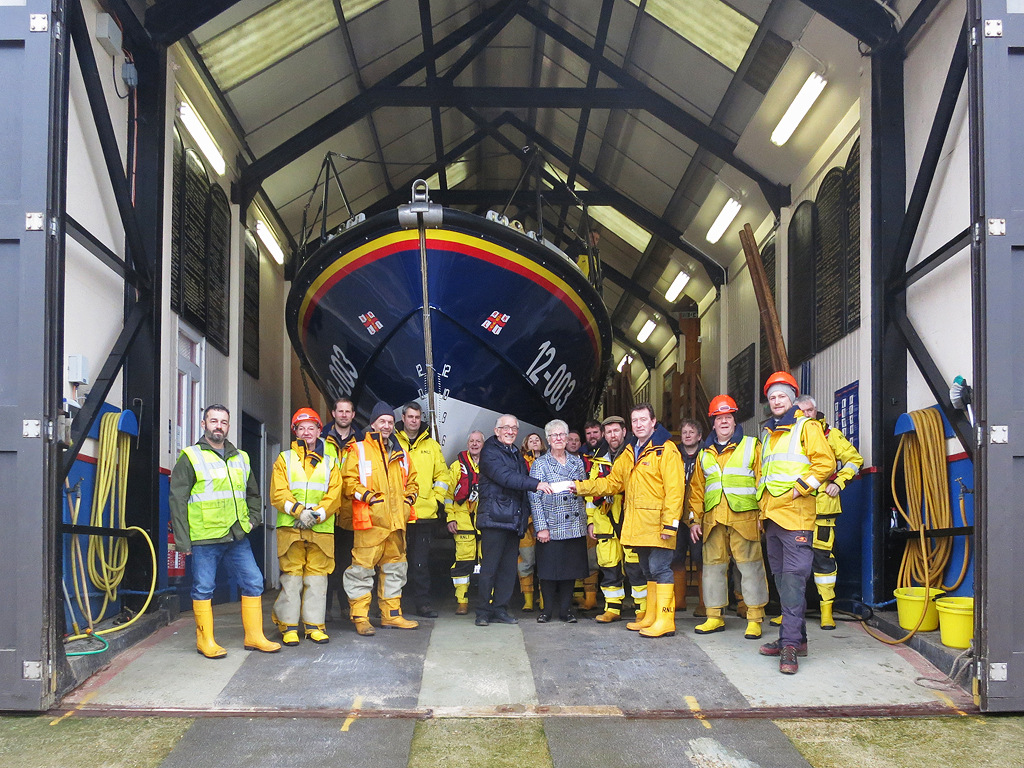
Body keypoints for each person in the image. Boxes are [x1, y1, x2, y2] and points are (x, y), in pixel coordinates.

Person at [169, 405, 280, 658]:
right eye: (213, 421)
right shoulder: (190, 456)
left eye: (223, 422)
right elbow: (177, 500)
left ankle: (254, 636)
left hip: (237, 534)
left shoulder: (241, 456)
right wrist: (182, 541)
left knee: (253, 582)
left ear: (228, 426)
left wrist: (253, 520)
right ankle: (205, 641)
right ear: (203, 424)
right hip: (205, 536)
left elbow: (253, 492)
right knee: (203, 588)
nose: (218, 426)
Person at [573, 404, 685, 638]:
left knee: (660, 568)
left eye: (643, 420)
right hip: (638, 524)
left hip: (658, 524)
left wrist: (670, 524)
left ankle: (666, 620)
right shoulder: (630, 452)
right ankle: (652, 617)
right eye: (635, 421)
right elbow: (612, 483)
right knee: (647, 570)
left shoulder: (667, 450)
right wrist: (579, 487)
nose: (639, 424)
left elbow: (675, 490)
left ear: (654, 422)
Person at [756, 372, 834, 674]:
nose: (776, 401)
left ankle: (788, 645)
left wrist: (799, 488)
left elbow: (826, 463)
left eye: (782, 396)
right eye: (772, 397)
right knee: (782, 580)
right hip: (773, 518)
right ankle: (796, 638)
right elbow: (763, 476)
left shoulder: (807, 426)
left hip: (796, 518)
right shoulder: (769, 434)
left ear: (792, 399)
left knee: (792, 581)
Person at [687, 396, 768, 640]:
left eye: (728, 417)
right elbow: (697, 490)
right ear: (713, 424)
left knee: (751, 568)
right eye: (719, 418)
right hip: (713, 522)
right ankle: (714, 616)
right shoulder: (704, 454)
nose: (724, 421)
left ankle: (754, 618)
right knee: (712, 569)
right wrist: (693, 520)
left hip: (744, 518)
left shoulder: (752, 446)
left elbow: (762, 480)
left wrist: (762, 515)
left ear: (735, 421)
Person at [342, 401, 420, 635]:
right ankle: (360, 618)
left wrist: (408, 502)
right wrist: (370, 498)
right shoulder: (358, 449)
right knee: (361, 572)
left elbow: (414, 482)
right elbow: (348, 483)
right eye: (381, 421)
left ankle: (391, 615)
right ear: (373, 423)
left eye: (389, 422)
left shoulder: (402, 454)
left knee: (395, 571)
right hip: (370, 524)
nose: (386, 426)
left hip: (396, 525)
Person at [270, 408, 343, 645]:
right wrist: (299, 511)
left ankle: (314, 626)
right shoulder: (284, 459)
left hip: (320, 530)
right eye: (301, 428)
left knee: (317, 579)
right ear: (295, 432)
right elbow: (278, 492)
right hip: (291, 528)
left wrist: (319, 514)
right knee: (291, 578)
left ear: (319, 431)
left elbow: (335, 493)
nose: (307, 432)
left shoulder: (331, 462)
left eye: (311, 427)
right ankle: (289, 626)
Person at [476, 414, 553, 626]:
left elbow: (518, 489)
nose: (510, 432)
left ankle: (500, 609)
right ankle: (482, 611)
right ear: (497, 430)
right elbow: (506, 478)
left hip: (512, 520)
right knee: (489, 568)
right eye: (506, 428)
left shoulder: (515, 454)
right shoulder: (489, 452)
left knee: (509, 570)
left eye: (514, 429)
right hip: (494, 518)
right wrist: (535, 483)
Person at [795, 395, 863, 630]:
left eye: (811, 410)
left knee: (823, 559)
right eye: (802, 411)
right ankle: (791, 612)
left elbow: (854, 460)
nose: (807, 414)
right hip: (792, 510)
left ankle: (826, 611)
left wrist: (840, 482)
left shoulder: (829, 434)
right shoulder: (789, 437)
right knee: (793, 563)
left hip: (823, 508)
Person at [529, 420, 591, 622]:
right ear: (547, 439)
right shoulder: (540, 464)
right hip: (551, 524)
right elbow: (534, 498)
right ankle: (546, 611)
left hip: (574, 524)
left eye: (562, 435)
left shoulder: (577, 462)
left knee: (569, 570)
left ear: (567, 438)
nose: (558, 439)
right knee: (548, 571)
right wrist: (541, 527)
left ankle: (565, 610)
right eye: (554, 436)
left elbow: (583, 492)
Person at [586, 415, 646, 623]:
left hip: (630, 521)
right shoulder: (597, 461)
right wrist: (590, 521)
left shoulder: (634, 455)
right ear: (604, 434)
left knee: (636, 568)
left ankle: (642, 610)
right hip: (604, 521)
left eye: (616, 431)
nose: (612, 435)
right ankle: (612, 609)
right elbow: (590, 494)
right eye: (608, 431)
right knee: (609, 567)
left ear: (624, 432)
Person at [397, 402, 450, 618]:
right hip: (398, 514)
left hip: (424, 515)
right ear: (403, 417)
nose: (413, 421)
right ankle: (392, 605)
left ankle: (423, 604)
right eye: (410, 417)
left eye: (417, 417)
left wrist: (435, 500)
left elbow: (443, 476)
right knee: (393, 563)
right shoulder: (392, 442)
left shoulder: (432, 446)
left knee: (420, 563)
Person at [322, 397, 363, 621]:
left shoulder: (362, 442)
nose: (344, 415)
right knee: (326, 563)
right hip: (326, 514)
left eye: (348, 411)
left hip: (350, 512)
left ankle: (346, 607)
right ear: (333, 413)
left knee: (348, 564)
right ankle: (326, 608)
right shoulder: (321, 441)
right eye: (340, 411)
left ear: (353, 415)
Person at [445, 431, 484, 615]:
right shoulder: (456, 467)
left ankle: (488, 600)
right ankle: (462, 601)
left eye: (478, 441)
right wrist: (450, 517)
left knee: (489, 562)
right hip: (462, 521)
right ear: (467, 443)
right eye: (471, 441)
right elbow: (447, 495)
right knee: (463, 563)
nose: (474, 444)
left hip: (485, 520)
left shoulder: (490, 465)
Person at [673, 419, 706, 617]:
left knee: (700, 558)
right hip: (677, 515)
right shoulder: (674, 455)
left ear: (699, 436)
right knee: (676, 558)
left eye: (691, 432)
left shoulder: (707, 454)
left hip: (699, 517)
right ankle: (679, 601)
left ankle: (703, 603)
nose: (687, 435)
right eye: (684, 432)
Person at [518, 432, 546, 611]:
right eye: (531, 440)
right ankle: (528, 598)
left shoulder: (550, 461)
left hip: (544, 518)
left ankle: (544, 597)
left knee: (545, 560)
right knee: (526, 560)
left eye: (537, 440)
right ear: (525, 444)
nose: (534, 442)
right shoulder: (519, 462)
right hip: (525, 517)